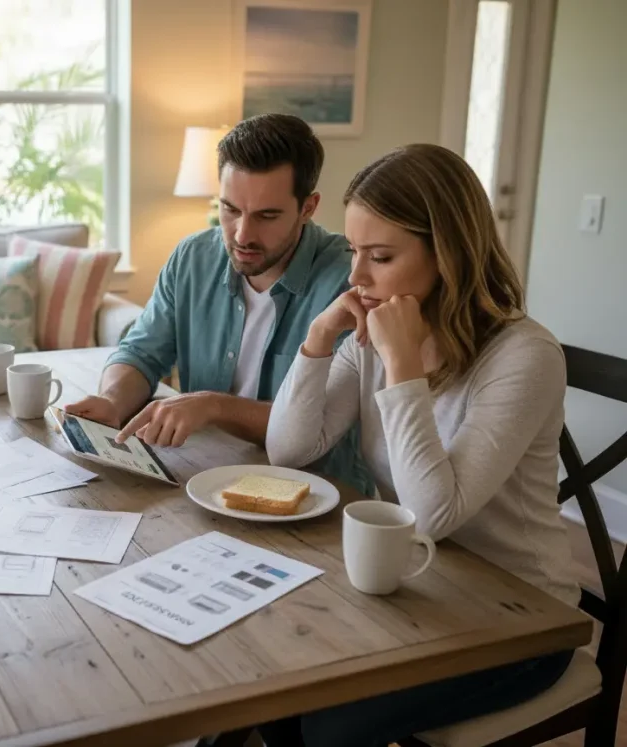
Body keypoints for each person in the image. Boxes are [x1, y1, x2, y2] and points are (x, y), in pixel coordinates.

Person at [263, 143, 578, 746]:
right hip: (418, 585)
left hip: (523, 620)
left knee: (323, 725)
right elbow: (288, 450)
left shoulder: (525, 357)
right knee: (269, 684)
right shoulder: (370, 327)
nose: (356, 277)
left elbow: (434, 514)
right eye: (354, 252)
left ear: (449, 253)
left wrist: (402, 365)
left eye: (380, 256)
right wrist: (318, 337)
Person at [67, 113, 370, 493]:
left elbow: (320, 422)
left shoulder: (351, 280)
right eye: (230, 209)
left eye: (267, 216)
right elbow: (141, 353)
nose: (243, 234)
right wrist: (112, 401)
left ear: (308, 208)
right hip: (205, 481)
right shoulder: (193, 258)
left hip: (317, 496)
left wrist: (212, 406)